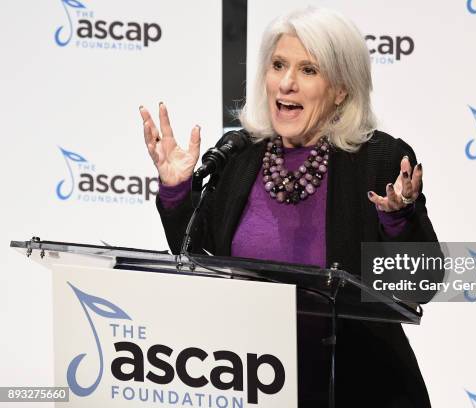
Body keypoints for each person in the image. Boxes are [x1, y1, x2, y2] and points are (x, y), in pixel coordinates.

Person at [139, 7, 438, 407]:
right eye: (278, 65)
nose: (286, 83)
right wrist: (177, 191)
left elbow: (421, 285)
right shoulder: (241, 155)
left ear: (341, 89)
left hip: (358, 387)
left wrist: (398, 219)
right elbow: (197, 255)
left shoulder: (378, 160)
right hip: (254, 383)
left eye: (308, 70)